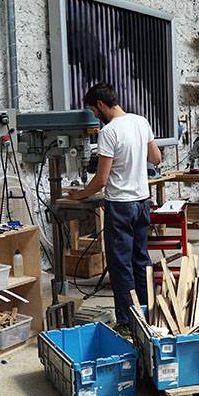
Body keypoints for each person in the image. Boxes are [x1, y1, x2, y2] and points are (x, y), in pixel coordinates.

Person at [68, 82, 162, 330]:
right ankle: (147, 314)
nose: (94, 116)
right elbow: (156, 158)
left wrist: (79, 195)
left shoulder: (109, 133)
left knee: (121, 266)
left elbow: (101, 179)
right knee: (141, 260)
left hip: (121, 206)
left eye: (93, 110)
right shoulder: (141, 121)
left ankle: (127, 321)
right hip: (142, 201)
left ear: (100, 104)